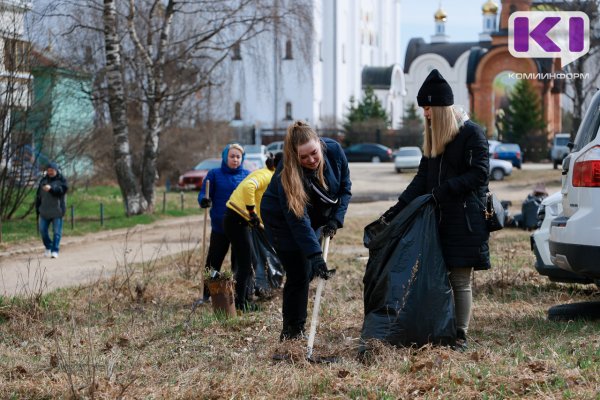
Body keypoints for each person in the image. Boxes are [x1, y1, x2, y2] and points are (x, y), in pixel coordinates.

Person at [379, 69, 490, 349]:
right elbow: (421, 180)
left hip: (465, 220)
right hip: (438, 221)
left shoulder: (472, 134)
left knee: (460, 278)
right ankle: (443, 329)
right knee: (440, 277)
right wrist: (396, 210)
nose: (425, 114)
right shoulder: (433, 138)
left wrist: (444, 190)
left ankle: (460, 335)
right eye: (423, 109)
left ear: (441, 108)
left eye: (428, 108)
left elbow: (479, 174)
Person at [261, 120, 352, 340]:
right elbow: (298, 221)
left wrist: (335, 220)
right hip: (281, 221)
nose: (311, 160)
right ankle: (292, 331)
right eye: (304, 157)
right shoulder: (288, 174)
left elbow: (345, 188)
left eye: (313, 153)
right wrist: (316, 256)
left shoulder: (335, 151)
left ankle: (295, 325)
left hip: (313, 217)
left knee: (307, 270)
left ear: (320, 144)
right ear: (295, 156)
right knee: (298, 273)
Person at [224, 152, 283, 311]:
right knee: (245, 265)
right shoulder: (267, 176)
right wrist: (252, 213)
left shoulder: (268, 174)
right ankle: (240, 305)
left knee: (250, 262)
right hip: (237, 218)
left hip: (238, 219)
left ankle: (242, 301)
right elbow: (249, 186)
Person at [198, 143, 250, 299]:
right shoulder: (214, 174)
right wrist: (204, 200)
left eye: (238, 157)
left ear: (242, 159)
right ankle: (208, 292)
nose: (235, 159)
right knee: (214, 262)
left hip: (240, 226)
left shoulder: (247, 175)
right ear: (225, 157)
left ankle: (235, 293)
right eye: (232, 156)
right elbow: (203, 194)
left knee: (238, 263)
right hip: (220, 227)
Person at [35, 162, 69, 258]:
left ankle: (55, 250)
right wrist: (37, 208)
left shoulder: (62, 181)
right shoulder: (43, 181)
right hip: (44, 211)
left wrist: (51, 189)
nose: (50, 172)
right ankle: (48, 247)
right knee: (43, 230)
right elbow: (38, 196)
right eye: (48, 170)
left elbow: (61, 191)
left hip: (57, 211)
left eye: (52, 170)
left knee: (57, 232)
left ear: (56, 170)